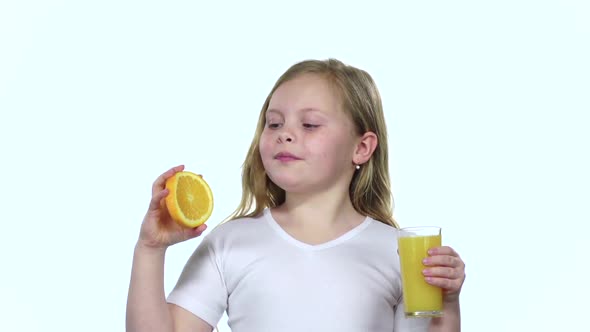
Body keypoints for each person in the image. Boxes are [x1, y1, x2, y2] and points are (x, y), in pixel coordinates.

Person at [126, 59, 466, 332]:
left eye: (310, 125)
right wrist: (150, 249)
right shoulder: (230, 242)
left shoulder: (398, 253)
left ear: (362, 147)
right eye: (273, 124)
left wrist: (447, 304)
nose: (285, 134)